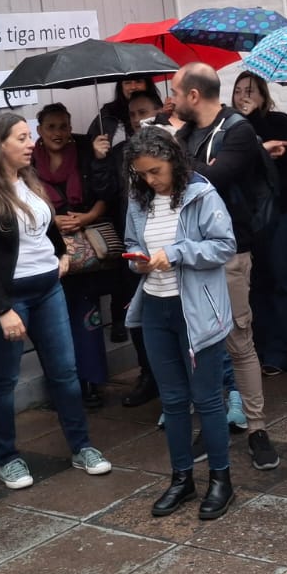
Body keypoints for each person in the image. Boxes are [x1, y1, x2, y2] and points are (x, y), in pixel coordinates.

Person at [0, 114, 112, 491]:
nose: (31, 144)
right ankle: (8, 458)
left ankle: (82, 447)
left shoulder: (28, 179)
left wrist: (60, 255)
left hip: (48, 291)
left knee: (65, 373)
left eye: (29, 137)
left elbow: (44, 224)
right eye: (22, 137)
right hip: (5, 299)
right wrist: (2, 310)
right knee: (3, 381)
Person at [122, 127, 240, 520]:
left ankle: (221, 481)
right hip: (156, 307)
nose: (150, 180)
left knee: (206, 399)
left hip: (196, 310)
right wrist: (138, 258)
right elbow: (129, 244)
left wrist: (175, 252)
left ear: (174, 161)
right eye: (142, 174)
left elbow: (224, 246)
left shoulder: (201, 194)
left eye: (155, 171)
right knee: (172, 401)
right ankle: (181, 478)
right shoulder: (139, 201)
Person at [171, 63, 281, 471]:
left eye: (177, 93)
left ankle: (257, 429)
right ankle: (213, 426)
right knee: (201, 346)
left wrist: (173, 163)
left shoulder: (237, 130)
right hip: (189, 252)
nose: (172, 100)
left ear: (194, 96)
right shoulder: (184, 136)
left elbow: (212, 180)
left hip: (231, 252)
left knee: (238, 339)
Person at [33, 103, 119, 408]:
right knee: (53, 321)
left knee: (87, 318)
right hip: (49, 248)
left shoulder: (85, 151)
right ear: (40, 130)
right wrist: (52, 221)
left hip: (86, 250)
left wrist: (85, 218)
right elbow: (24, 203)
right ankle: (64, 387)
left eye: (64, 126)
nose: (58, 133)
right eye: (51, 127)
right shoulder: (29, 161)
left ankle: (92, 383)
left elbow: (104, 196)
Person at [94, 88, 164, 406]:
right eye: (133, 114)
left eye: (144, 111)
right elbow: (107, 191)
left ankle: (172, 379)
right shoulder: (121, 151)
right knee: (135, 315)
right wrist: (99, 159)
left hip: (166, 247)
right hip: (133, 246)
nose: (138, 119)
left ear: (159, 110)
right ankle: (148, 374)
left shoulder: (171, 147)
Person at [232, 71, 287, 374]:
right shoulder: (230, 129)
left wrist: (255, 125)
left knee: (283, 281)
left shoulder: (279, 121)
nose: (243, 97)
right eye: (237, 91)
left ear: (263, 95)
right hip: (250, 217)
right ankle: (261, 347)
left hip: (283, 211)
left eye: (250, 91)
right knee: (256, 284)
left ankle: (285, 350)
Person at [93, 76, 167, 146]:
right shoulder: (108, 113)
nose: (133, 87)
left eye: (138, 81)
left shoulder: (160, 111)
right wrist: (96, 153)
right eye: (127, 82)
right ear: (121, 87)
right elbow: (89, 145)